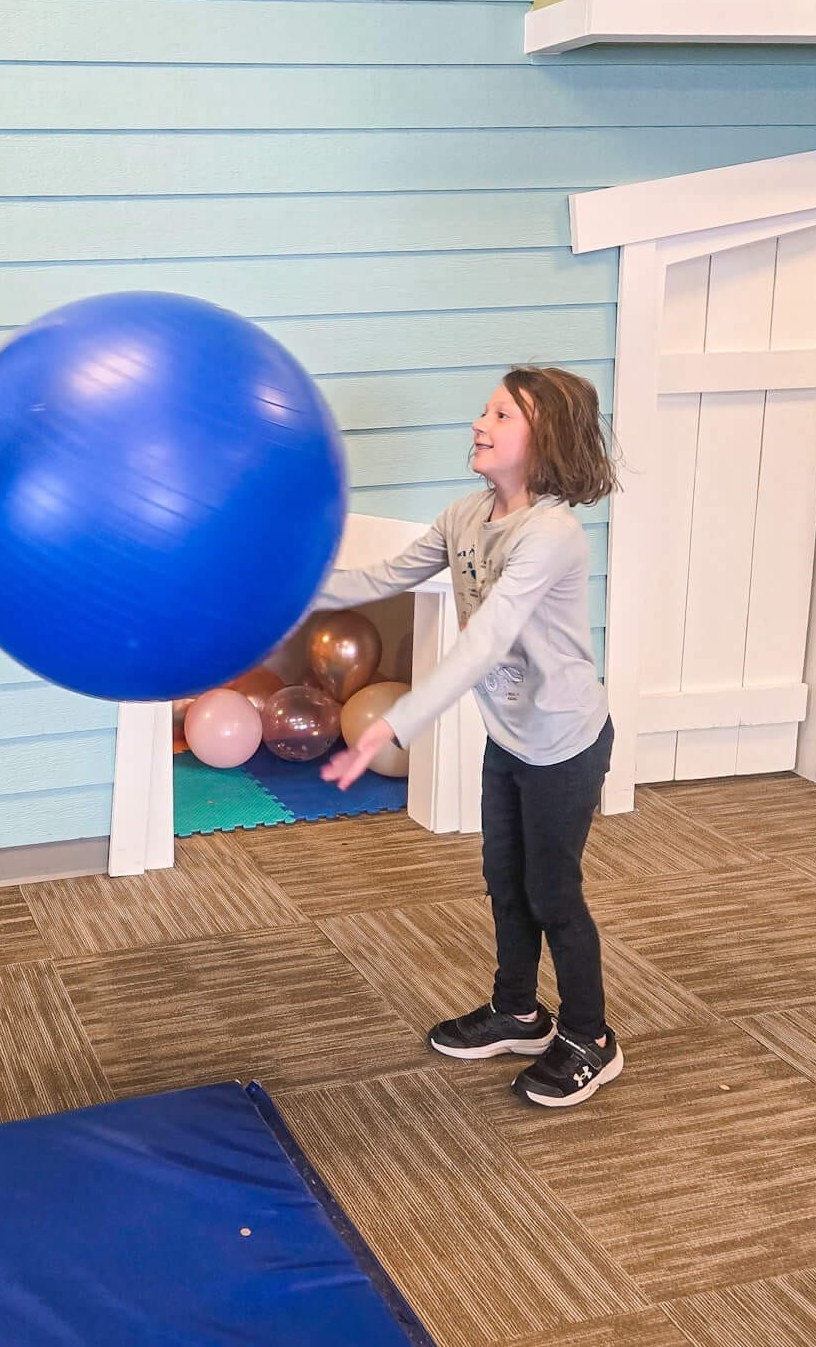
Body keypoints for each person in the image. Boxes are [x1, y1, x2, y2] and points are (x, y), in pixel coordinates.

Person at [317, 367, 621, 1109]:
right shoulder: (464, 517)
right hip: (510, 739)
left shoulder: (550, 534)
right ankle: (517, 1012)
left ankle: (591, 1037)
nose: (480, 423)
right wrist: (283, 596)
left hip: (564, 745)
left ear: (546, 439)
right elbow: (381, 578)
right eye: (485, 410)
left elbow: (485, 641)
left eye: (503, 414)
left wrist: (397, 721)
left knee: (552, 893)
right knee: (504, 880)